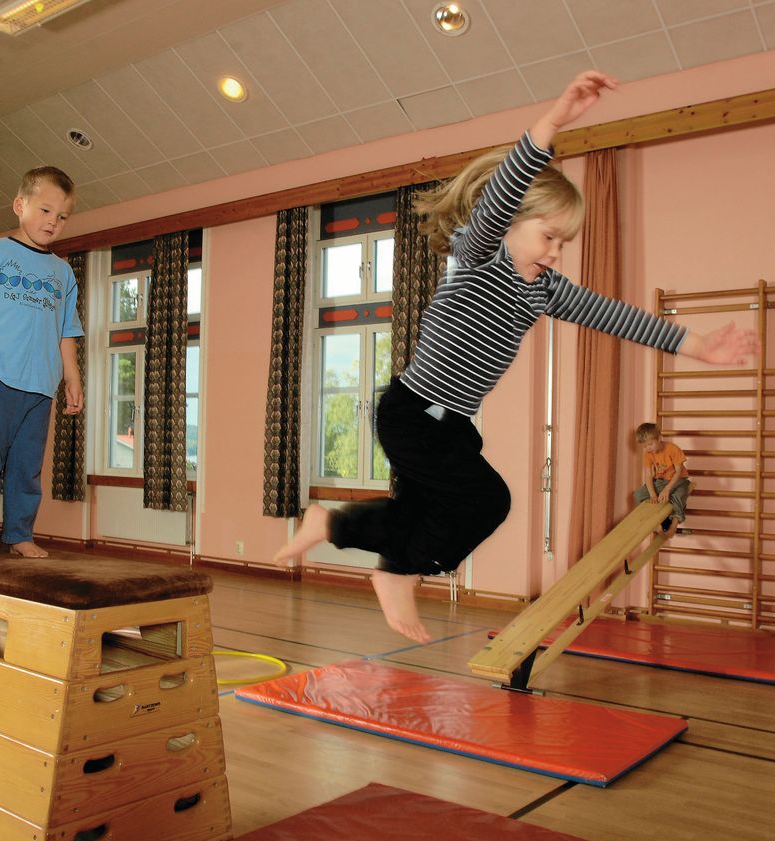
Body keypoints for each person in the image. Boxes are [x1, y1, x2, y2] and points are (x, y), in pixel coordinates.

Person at [274, 71, 757, 644]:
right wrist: (553, 122)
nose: (555, 252)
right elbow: (506, 187)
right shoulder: (477, 256)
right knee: (488, 498)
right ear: (507, 225)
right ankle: (368, 547)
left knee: (454, 510)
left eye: (563, 243)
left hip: (448, 424)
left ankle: (362, 543)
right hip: (412, 412)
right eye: (549, 236)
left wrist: (698, 346)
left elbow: (617, 316)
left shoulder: (544, 290)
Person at [0, 166, 84, 561]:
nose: (52, 222)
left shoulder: (62, 272)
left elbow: (66, 330)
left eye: (61, 217)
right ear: (19, 205)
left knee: (26, 467)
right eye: (45, 211)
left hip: (40, 386)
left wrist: (72, 377)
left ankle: (19, 533)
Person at [634, 422, 690, 535]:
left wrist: (667, 489)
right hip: (661, 481)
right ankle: (659, 522)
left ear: (659, 438)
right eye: (645, 446)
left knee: (678, 496)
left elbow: (678, 472)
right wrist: (652, 494)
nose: (648, 448)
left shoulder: (672, 449)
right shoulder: (648, 455)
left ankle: (674, 524)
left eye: (650, 444)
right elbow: (649, 475)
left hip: (678, 480)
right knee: (638, 495)